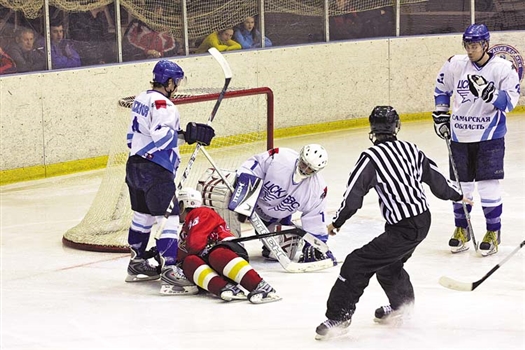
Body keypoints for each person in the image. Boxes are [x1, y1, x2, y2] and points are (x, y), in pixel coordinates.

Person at [315, 106, 471, 340]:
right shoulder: (411, 149)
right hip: (422, 221)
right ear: (396, 127)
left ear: (372, 130)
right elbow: (436, 180)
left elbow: (353, 196)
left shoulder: (371, 157)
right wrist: (457, 195)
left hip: (404, 229)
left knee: (356, 263)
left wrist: (337, 222)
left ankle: (339, 317)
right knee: (389, 266)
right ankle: (402, 307)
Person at [124, 60, 215, 295]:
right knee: (170, 218)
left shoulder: (141, 98)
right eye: (177, 82)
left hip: (134, 165)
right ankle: (170, 271)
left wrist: (185, 136)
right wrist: (190, 134)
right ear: (170, 82)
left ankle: (137, 263)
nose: (178, 87)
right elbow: (163, 139)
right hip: (155, 169)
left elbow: (132, 137)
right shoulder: (166, 106)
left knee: (142, 216)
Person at [432, 23, 520, 256]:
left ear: (485, 45)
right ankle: (462, 229)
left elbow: (509, 103)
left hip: (489, 136)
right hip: (459, 135)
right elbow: (441, 89)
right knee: (461, 187)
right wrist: (441, 115)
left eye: (475, 45)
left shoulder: (503, 68)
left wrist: (491, 95)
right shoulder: (455, 64)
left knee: (488, 185)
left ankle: (493, 232)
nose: (470, 50)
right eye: (467, 45)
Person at [175, 187, 281, 303]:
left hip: (229, 254)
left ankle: (260, 286)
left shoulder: (201, 212)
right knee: (189, 262)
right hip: (214, 268)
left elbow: (195, 244)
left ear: (182, 204)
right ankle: (225, 288)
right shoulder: (186, 227)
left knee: (215, 254)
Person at [235, 144, 335, 263]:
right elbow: (252, 168)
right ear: (300, 157)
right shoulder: (279, 158)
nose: (304, 169)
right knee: (224, 195)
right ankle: (225, 244)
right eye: (304, 164)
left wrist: (316, 244)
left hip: (276, 217)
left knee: (282, 250)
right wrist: (245, 197)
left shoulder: (317, 189)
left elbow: (315, 218)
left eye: (310, 169)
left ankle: (295, 236)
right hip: (254, 201)